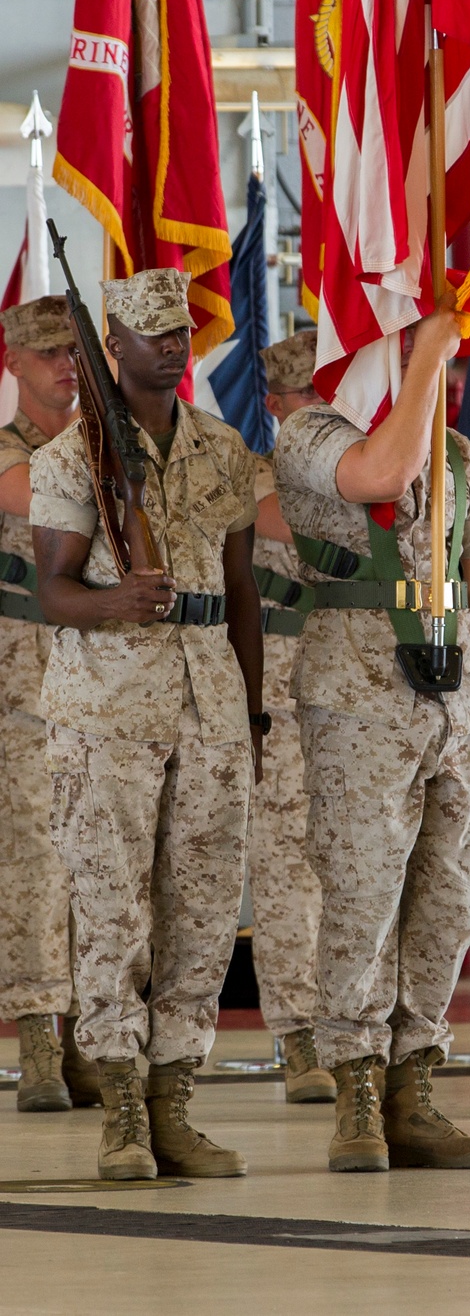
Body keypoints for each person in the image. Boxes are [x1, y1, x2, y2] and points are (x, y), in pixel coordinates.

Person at [30, 268, 262, 1182]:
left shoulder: (222, 447)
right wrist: (116, 600)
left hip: (210, 709)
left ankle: (174, 1108)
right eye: (153, 332)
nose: (173, 344)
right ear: (112, 348)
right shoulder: (70, 460)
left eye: (182, 332)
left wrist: (251, 709)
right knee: (112, 911)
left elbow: (241, 591)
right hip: (108, 716)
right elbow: (53, 592)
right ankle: (122, 1112)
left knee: (202, 916)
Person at [272, 302, 470, 1173]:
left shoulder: (464, 461)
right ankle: (358, 1092)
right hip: (360, 697)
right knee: (364, 900)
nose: (429, 366)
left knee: (447, 904)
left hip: (458, 704)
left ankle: (416, 1087)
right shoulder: (310, 435)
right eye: (406, 349)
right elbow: (380, 473)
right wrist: (432, 353)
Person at [0, 295, 100, 1112]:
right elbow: (44, 498)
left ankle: (94, 1040)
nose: (65, 368)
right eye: (47, 355)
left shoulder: (105, 449)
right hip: (24, 683)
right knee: (34, 858)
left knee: (96, 860)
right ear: (15, 365)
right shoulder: (8, 455)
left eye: (75, 354)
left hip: (101, 683)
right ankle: (40, 1038)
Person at [251, 327, 335, 1101]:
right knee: (284, 866)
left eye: (330, 389)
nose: (320, 407)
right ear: (275, 406)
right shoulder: (254, 481)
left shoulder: (367, 474)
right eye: (306, 395)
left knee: (357, 862)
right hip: (278, 688)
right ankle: (298, 1034)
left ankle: (359, 1029)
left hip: (359, 684)